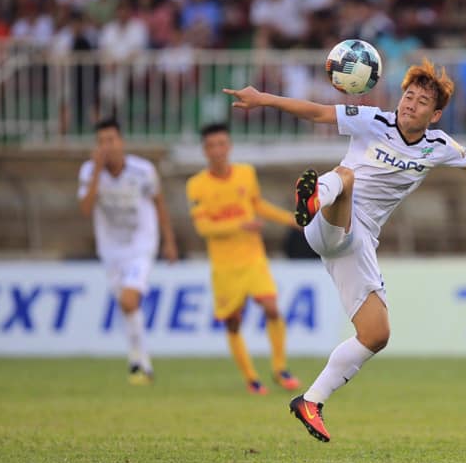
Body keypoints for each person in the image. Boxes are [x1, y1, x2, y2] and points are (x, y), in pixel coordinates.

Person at [223, 60, 466, 442]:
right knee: (346, 176)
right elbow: (316, 112)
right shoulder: (372, 121)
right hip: (327, 219)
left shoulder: (438, 146)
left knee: (376, 334)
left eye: (420, 101)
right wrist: (263, 99)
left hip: (356, 241)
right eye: (407, 95)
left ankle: (311, 401)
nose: (409, 104)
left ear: (435, 115)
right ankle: (315, 196)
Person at [186, 123, 302, 395]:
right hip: (224, 265)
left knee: (271, 307)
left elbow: (257, 205)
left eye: (222, 144)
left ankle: (280, 368)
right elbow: (204, 228)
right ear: (205, 151)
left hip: (252, 257)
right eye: (212, 145)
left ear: (229, 146)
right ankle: (251, 378)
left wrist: (289, 219)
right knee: (233, 321)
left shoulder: (246, 173)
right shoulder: (197, 186)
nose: (218, 150)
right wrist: (240, 224)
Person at [77, 118, 178, 384]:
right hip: (110, 249)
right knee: (126, 306)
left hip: (140, 243)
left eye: (111, 140)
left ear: (121, 142)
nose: (107, 146)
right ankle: (140, 360)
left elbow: (159, 203)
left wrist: (169, 241)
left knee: (129, 300)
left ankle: (139, 361)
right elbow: (85, 209)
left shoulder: (143, 170)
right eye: (101, 142)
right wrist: (97, 172)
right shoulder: (89, 172)